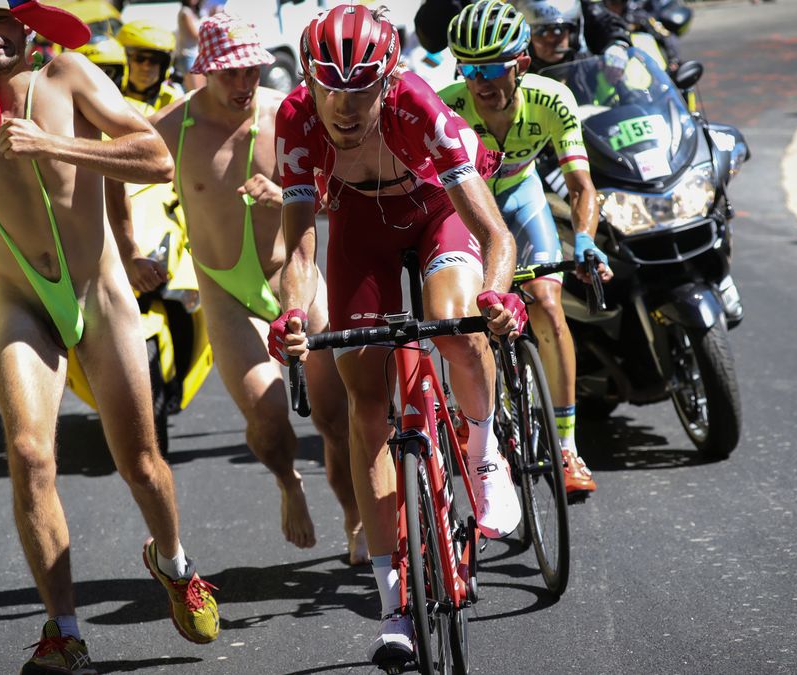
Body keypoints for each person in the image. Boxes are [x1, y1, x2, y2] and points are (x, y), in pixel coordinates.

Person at [0, 2, 219, 671]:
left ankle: (171, 561)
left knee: (140, 461)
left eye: (2, 13)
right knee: (28, 453)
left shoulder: (70, 77)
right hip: (24, 301)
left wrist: (53, 143)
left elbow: (153, 158)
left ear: (26, 21)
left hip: (101, 295)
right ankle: (64, 631)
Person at [271, 5, 527, 665]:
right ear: (309, 79)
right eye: (330, 88)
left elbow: (497, 235)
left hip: (434, 210)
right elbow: (299, 248)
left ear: (389, 82)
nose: (344, 106)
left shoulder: (418, 108)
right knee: (368, 411)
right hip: (362, 227)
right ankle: (393, 607)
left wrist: (496, 297)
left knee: (455, 327)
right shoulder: (295, 118)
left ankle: (483, 450)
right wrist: (293, 314)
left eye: (361, 91)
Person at [151, 12, 365, 560]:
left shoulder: (289, 112)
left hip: (294, 275)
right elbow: (118, 183)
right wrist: (131, 249)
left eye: (251, 72)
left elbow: (344, 179)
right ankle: (289, 483)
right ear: (205, 72)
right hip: (226, 291)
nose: (244, 84)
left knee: (335, 420)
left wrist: (293, 196)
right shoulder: (172, 127)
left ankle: (354, 518)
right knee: (268, 421)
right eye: (231, 75)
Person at [441, 0, 611, 496]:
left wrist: (583, 238)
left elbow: (581, 185)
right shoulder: (446, 105)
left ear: (521, 63)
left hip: (521, 196)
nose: (480, 82)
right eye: (469, 68)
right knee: (459, 315)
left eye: (492, 67)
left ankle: (566, 448)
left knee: (548, 303)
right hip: (466, 210)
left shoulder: (553, 99)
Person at [514, 0, 632, 77]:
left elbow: (605, 21)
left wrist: (617, 45)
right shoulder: (517, 74)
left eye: (558, 29)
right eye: (540, 31)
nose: (550, 39)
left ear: (573, 32)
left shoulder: (592, 70)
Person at [116, 20, 184, 110]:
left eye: (155, 60)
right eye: (139, 58)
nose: (146, 67)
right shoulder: (107, 94)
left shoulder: (172, 100)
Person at [177, 0, 205, 91]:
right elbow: (195, 35)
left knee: (199, 89)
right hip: (187, 56)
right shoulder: (185, 12)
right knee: (193, 91)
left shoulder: (197, 12)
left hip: (195, 55)